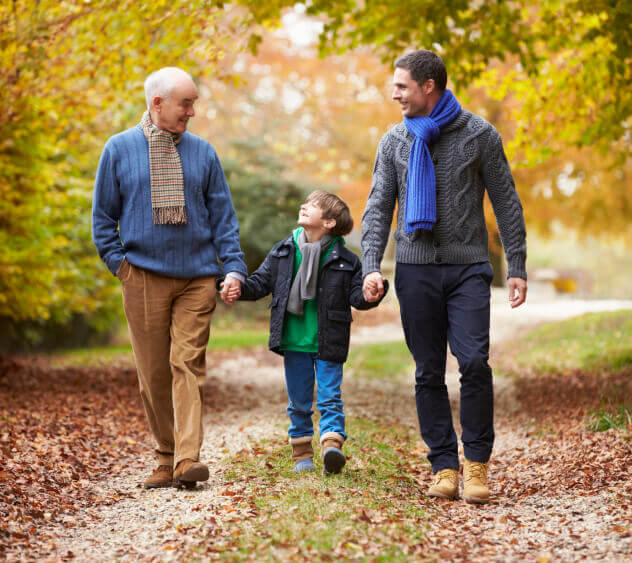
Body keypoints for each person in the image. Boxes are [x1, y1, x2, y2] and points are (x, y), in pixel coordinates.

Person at [361, 50, 527, 504]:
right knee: (427, 371)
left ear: (427, 86)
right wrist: (371, 265)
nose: (394, 94)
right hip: (414, 269)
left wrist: (516, 266)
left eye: (402, 86)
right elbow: (377, 208)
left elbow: (506, 201)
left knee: (473, 362)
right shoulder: (394, 141)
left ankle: (476, 465)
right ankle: (444, 466)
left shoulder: (479, 135)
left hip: (469, 267)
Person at [92, 67, 247, 489]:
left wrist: (232, 265)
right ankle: (165, 454)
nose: (192, 112)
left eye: (194, 102)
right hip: (142, 276)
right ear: (157, 103)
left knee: (186, 364)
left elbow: (223, 219)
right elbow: (103, 219)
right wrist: (121, 266)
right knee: (153, 373)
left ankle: (186, 458)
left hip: (197, 277)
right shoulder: (119, 150)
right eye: (186, 103)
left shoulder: (203, 153)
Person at [222, 191, 387, 474]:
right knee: (298, 401)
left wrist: (372, 293)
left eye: (313, 206)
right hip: (293, 339)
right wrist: (238, 288)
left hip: (329, 340)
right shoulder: (283, 251)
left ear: (330, 222)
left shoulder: (347, 260)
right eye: (306, 203)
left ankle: (332, 446)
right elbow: (260, 284)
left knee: (330, 397)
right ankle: (302, 455)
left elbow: (358, 298)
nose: (304, 206)